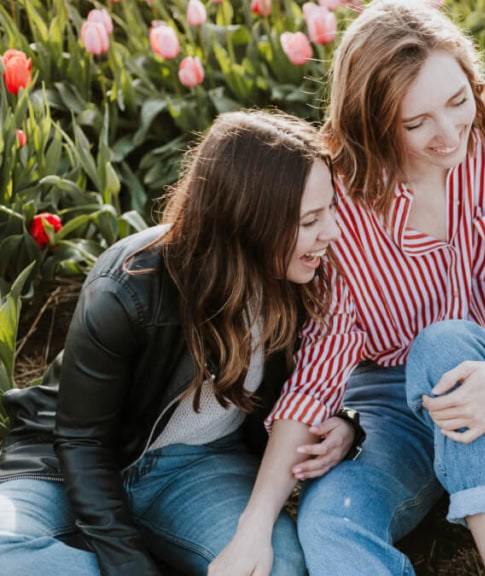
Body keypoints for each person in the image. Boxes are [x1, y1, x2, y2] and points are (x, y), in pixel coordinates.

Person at [212, 2, 485, 575]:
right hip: (394, 406)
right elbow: (320, 366)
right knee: (331, 522)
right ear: (372, 122)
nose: (450, 132)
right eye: (416, 122)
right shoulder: (343, 197)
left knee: (446, 344)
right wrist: (255, 526)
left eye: (459, 101)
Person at [0, 110, 354, 576]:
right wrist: (130, 567)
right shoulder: (128, 288)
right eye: (311, 220)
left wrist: (346, 424)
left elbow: (326, 378)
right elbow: (82, 442)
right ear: (249, 221)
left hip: (198, 468)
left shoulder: (307, 280)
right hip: (66, 464)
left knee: (279, 566)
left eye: (330, 209)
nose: (332, 231)